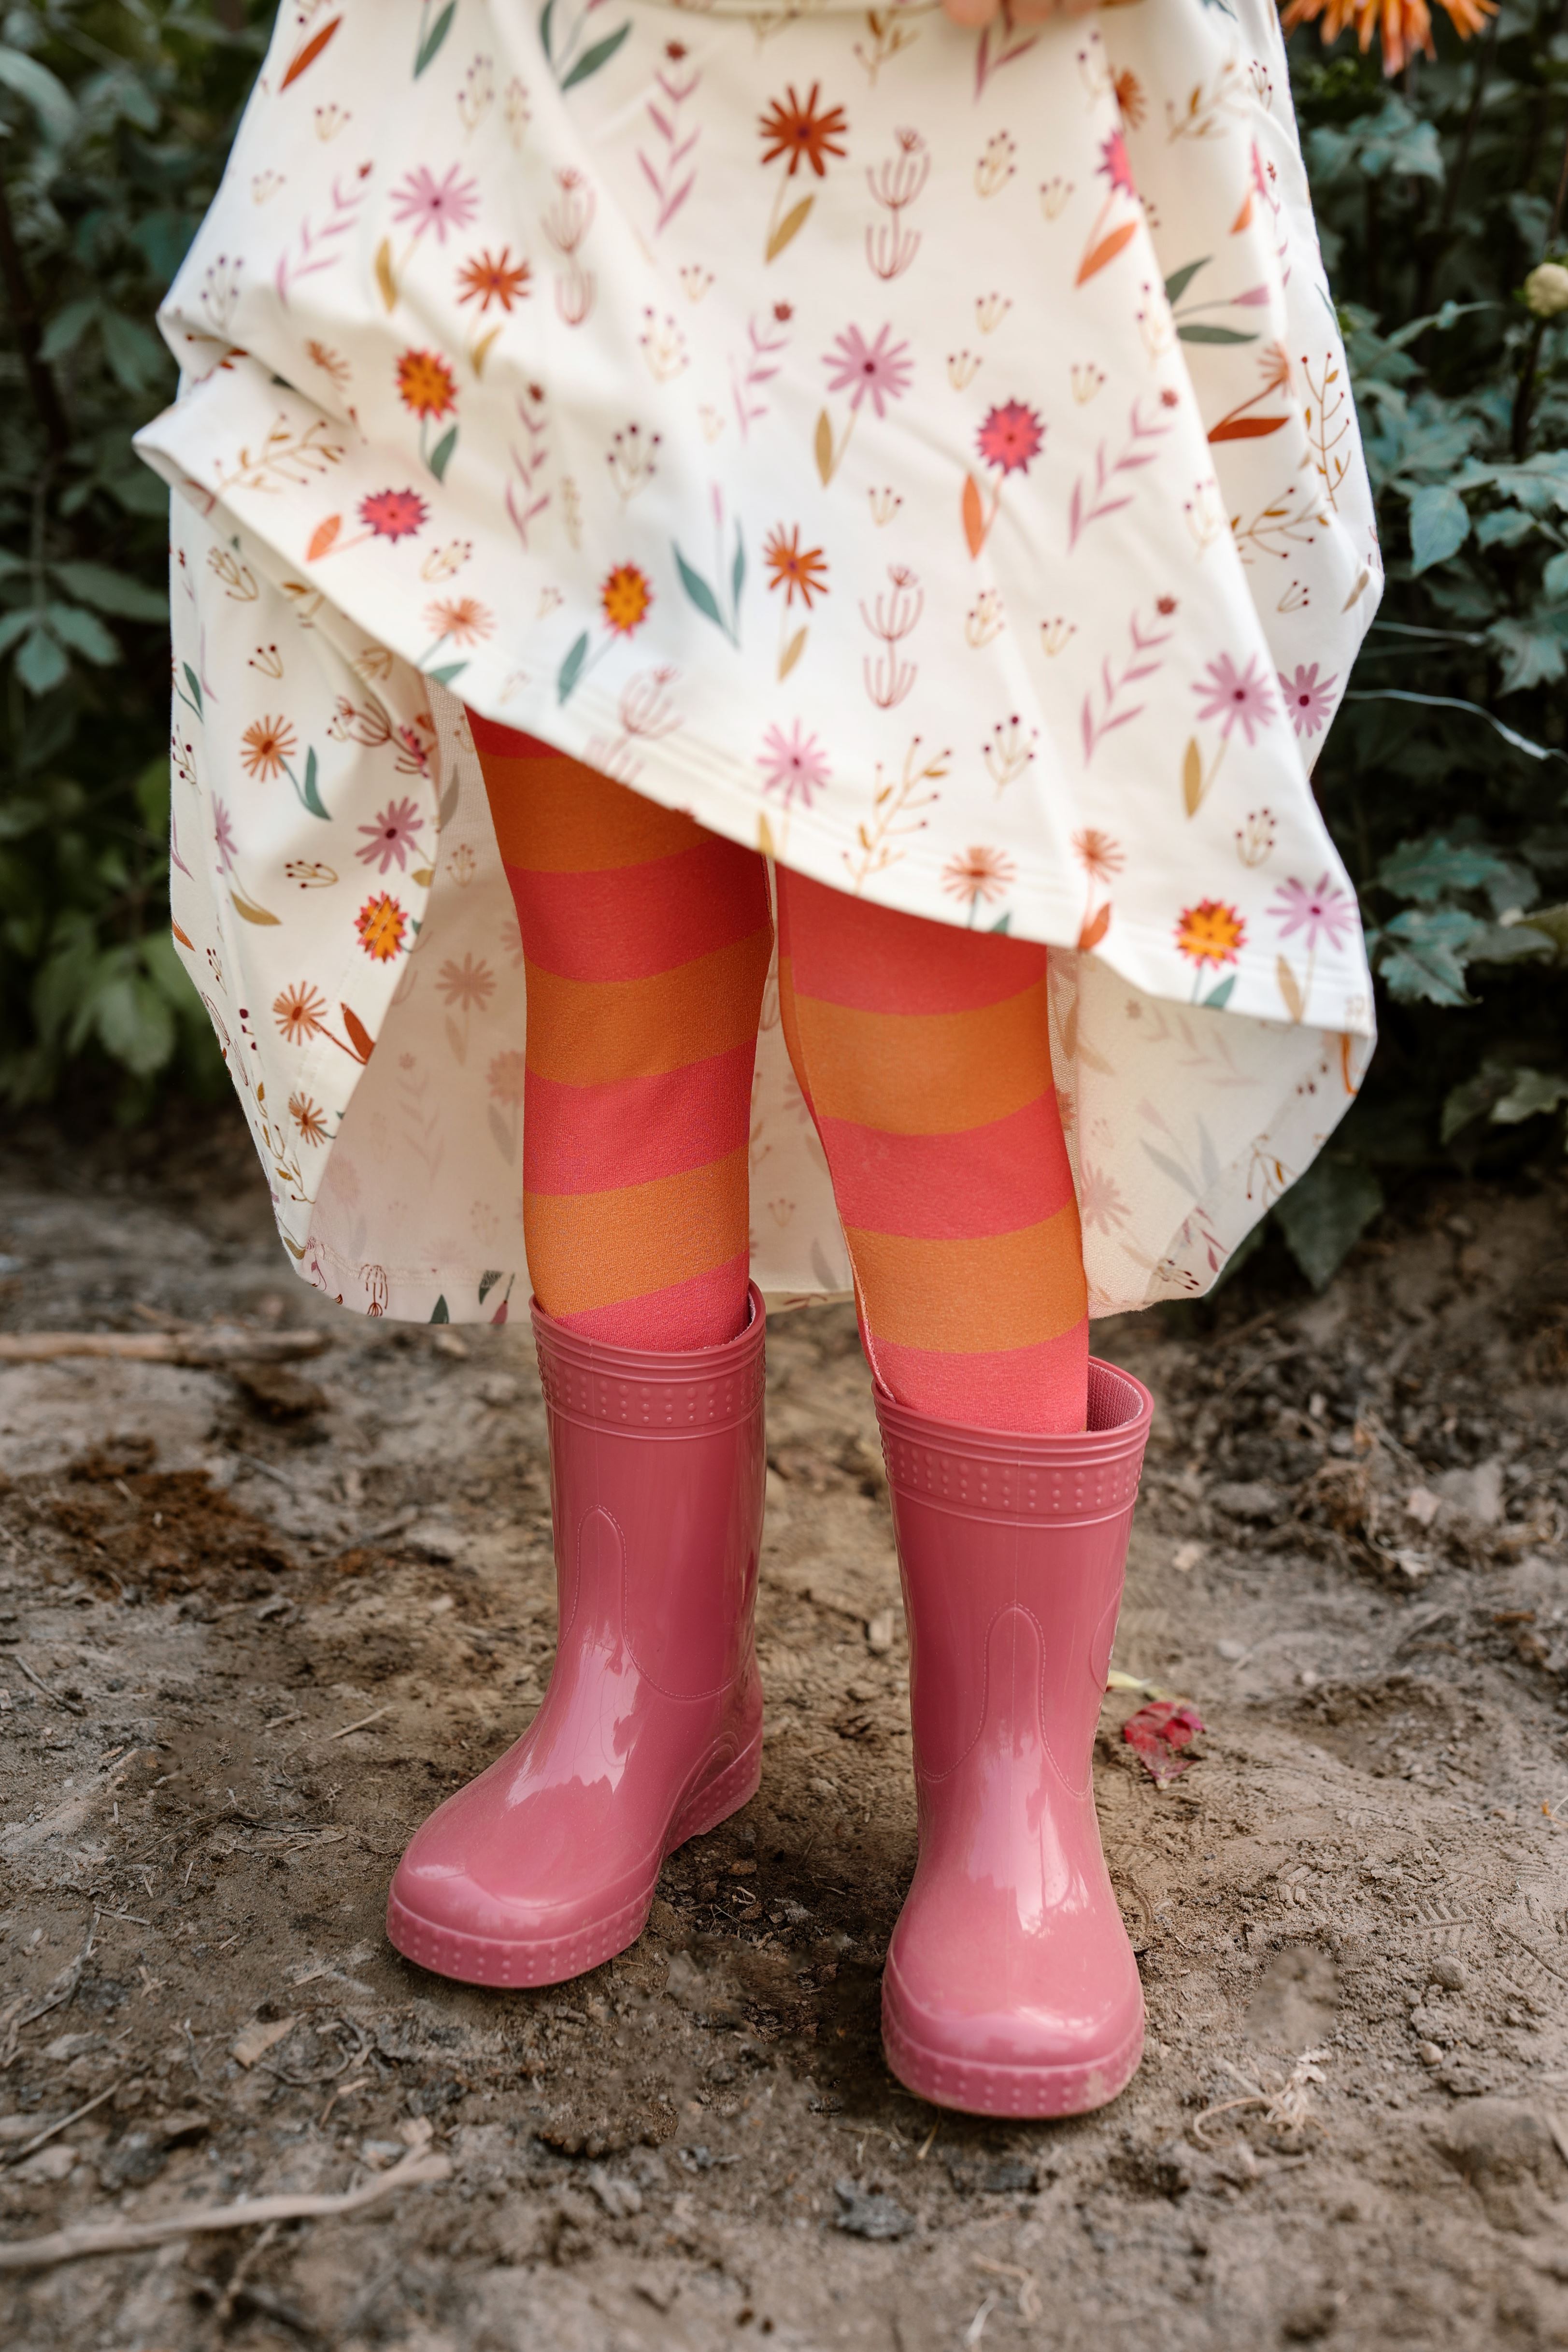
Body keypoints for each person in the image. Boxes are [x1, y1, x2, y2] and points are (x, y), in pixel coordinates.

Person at [136, 0, 1379, 2118]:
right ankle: (644, 1691)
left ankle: (1011, 1797)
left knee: (928, 1001)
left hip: (936, 147)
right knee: (616, 969)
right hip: (553, 109)